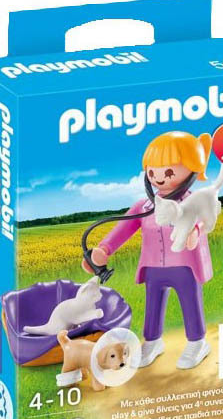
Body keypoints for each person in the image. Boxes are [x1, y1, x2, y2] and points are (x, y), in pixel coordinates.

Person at [82, 131, 214, 369]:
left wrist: (196, 231)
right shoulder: (144, 206)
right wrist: (104, 249)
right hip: (153, 266)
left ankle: (197, 342)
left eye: (169, 172)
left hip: (185, 265)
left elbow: (205, 218)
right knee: (153, 303)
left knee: (190, 301)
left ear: (193, 168)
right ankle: (152, 341)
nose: (159, 178)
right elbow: (123, 228)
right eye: (153, 172)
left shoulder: (194, 201)